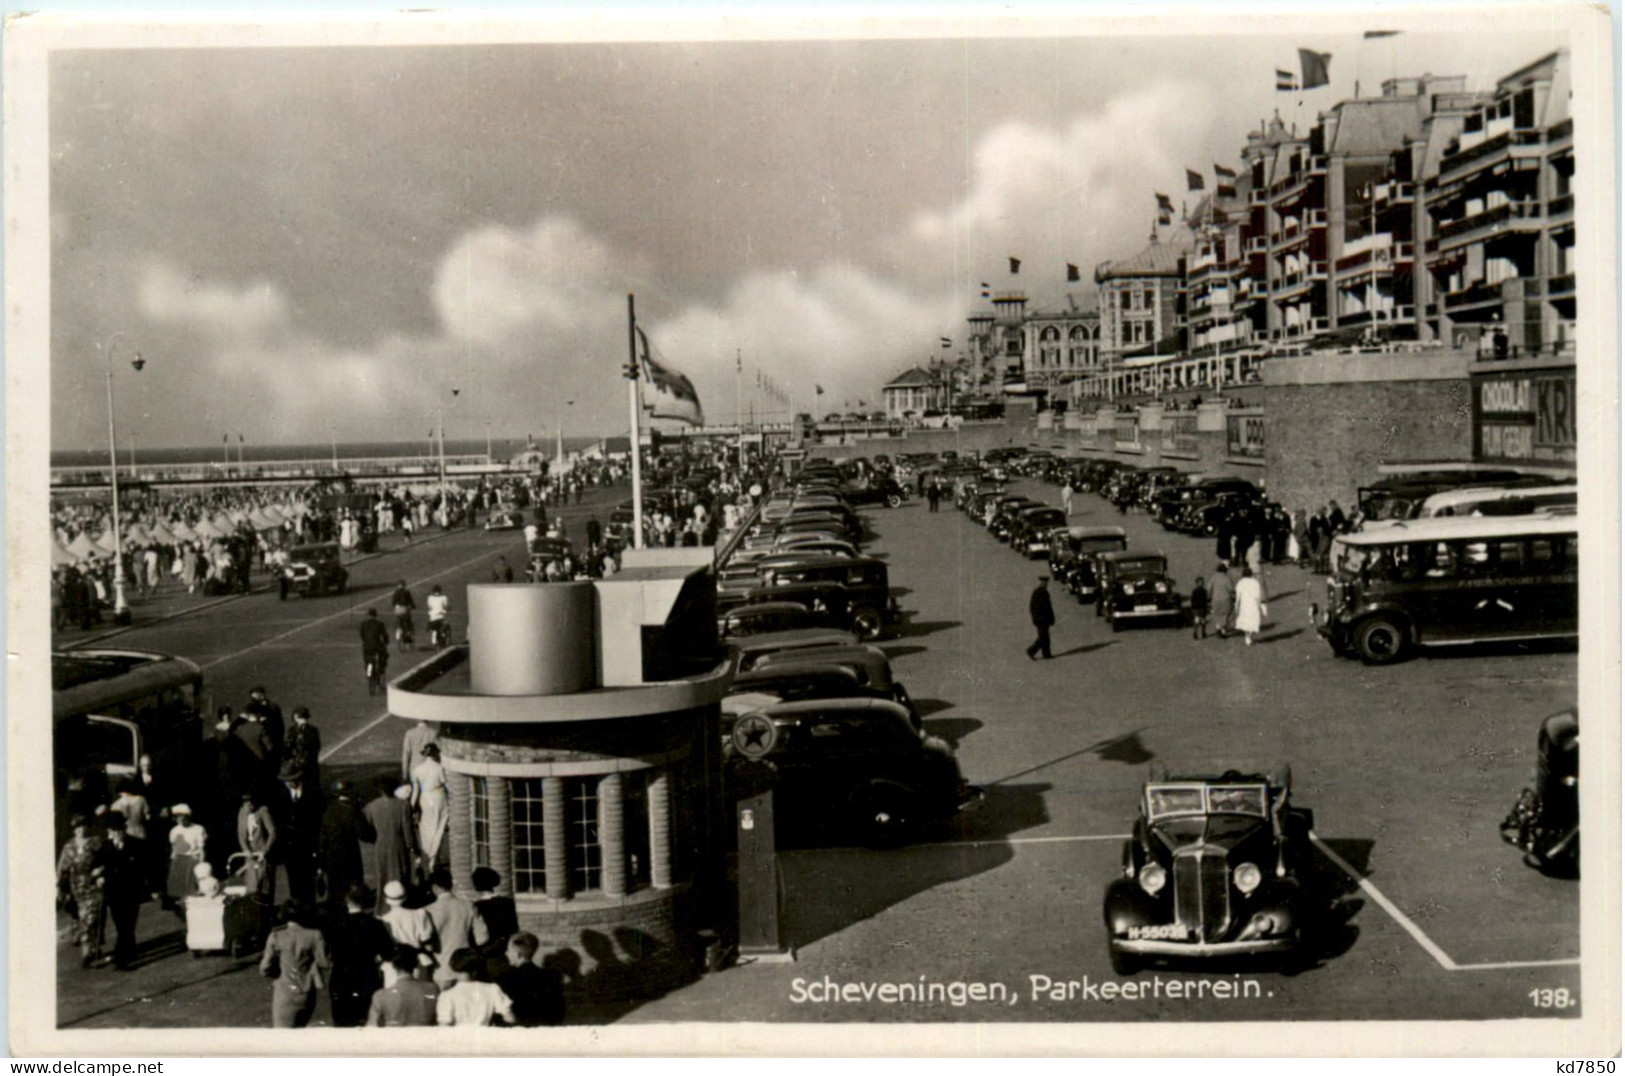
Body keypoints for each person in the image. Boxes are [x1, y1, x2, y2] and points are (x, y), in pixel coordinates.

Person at [326, 885, 394, 1027]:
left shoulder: (335, 925)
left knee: (343, 1024)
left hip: (341, 978)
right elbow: (388, 952)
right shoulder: (375, 924)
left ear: (346, 902)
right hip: (367, 976)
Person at [260, 901, 332, 1028]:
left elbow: (265, 968)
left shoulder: (277, 935)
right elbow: (324, 962)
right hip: (306, 991)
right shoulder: (314, 935)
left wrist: (275, 972)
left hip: (284, 992)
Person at [57, 814, 109, 967]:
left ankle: (90, 951)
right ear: (73, 830)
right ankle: (91, 950)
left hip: (94, 886)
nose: (80, 830)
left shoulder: (97, 843)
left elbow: (107, 860)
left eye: (83, 826)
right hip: (76, 889)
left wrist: (100, 871)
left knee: (93, 918)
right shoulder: (69, 847)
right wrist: (60, 887)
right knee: (84, 919)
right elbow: (62, 869)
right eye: (77, 827)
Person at [425, 867, 489, 989]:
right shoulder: (468, 905)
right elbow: (483, 938)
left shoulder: (428, 911)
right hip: (466, 968)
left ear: (434, 887)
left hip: (441, 970)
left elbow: (428, 944)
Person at [100, 813, 147, 970]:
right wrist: (98, 876)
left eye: (119, 829)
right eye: (113, 830)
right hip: (113, 892)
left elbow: (143, 868)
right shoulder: (105, 847)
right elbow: (96, 866)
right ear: (109, 831)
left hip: (131, 891)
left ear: (124, 829)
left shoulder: (136, 844)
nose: (116, 833)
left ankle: (122, 957)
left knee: (129, 923)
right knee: (121, 924)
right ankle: (127, 952)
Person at [318, 781, 375, 907]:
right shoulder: (352, 810)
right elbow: (364, 835)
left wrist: (321, 864)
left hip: (331, 856)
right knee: (352, 889)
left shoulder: (328, 811)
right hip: (350, 855)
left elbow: (323, 838)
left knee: (335, 889)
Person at [363, 784, 417, 913]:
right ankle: (402, 903)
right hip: (398, 844)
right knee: (400, 872)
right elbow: (408, 830)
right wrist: (412, 847)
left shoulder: (371, 806)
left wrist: (374, 839)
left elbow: (366, 828)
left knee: (383, 874)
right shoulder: (403, 805)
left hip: (380, 845)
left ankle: (382, 906)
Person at [497, 932, 565, 1027]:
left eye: (508, 950)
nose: (506, 953)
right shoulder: (549, 978)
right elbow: (557, 1012)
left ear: (517, 953)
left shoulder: (503, 979)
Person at [436, 948, 514, 1028]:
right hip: (485, 1038)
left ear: (452, 968)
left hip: (459, 1039)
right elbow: (510, 1019)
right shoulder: (492, 989)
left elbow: (444, 1028)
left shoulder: (447, 996)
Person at [366, 946, 440, 1027]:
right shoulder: (433, 989)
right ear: (416, 964)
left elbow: (371, 1028)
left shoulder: (380, 996)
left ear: (393, 966)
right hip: (424, 1038)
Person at [378, 880, 437, 977]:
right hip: (417, 962)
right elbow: (428, 945)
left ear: (386, 898)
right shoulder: (420, 914)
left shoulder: (383, 920)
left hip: (394, 966)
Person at [412, 744, 450, 875]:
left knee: (427, 827)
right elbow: (447, 785)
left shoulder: (417, 769)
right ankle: (434, 856)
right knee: (439, 826)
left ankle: (430, 853)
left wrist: (412, 806)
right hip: (438, 797)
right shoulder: (439, 768)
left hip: (425, 798)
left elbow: (415, 791)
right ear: (435, 754)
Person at [237, 789, 279, 901]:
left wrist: (264, 850)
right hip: (250, 854)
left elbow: (272, 832)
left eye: (251, 804)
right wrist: (246, 850)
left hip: (262, 852)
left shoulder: (263, 811)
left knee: (263, 885)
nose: (249, 807)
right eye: (246, 804)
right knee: (251, 886)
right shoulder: (242, 812)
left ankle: (266, 913)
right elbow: (241, 836)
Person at [165, 804, 208, 908]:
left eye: (181, 816)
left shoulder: (198, 829)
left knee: (192, 889)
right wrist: (173, 863)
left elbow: (201, 850)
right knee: (178, 891)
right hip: (179, 861)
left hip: (192, 861)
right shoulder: (174, 831)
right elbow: (174, 849)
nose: (179, 819)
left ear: (187, 816)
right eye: (176, 816)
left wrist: (201, 865)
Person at [284, 706, 322, 790]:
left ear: (296, 717)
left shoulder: (293, 730)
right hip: (311, 761)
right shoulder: (313, 729)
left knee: (296, 784)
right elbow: (317, 746)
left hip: (297, 762)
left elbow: (288, 745)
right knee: (312, 785)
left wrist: (287, 758)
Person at [245, 686, 286, 757]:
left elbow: (279, 727)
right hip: (256, 743)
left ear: (261, 694)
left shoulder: (273, 708)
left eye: (255, 696)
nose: (253, 699)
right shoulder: (250, 708)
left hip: (271, 741)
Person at [1234, 565, 1267, 646]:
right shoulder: (1255, 583)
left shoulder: (1240, 583)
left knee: (1246, 621)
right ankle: (1249, 636)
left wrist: (1236, 605)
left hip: (1244, 605)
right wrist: (1260, 606)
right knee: (1253, 621)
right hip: (1253, 605)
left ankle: (1247, 635)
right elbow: (1257, 597)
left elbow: (1238, 597)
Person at [360, 609, 390, 695]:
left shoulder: (363, 624)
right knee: (382, 657)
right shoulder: (380, 624)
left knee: (367, 660)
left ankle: (369, 674)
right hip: (377, 646)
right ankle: (380, 672)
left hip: (367, 647)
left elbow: (362, 635)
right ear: (376, 615)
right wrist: (386, 642)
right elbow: (384, 635)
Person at [1025, 575, 1055, 661]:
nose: (1045, 584)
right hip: (1040, 619)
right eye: (1043, 582)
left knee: (1046, 637)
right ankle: (1031, 651)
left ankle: (1047, 654)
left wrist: (1051, 618)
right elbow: (1033, 607)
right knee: (1043, 637)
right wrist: (1036, 617)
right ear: (1040, 583)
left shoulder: (1045, 592)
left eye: (1046, 583)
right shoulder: (1037, 592)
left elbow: (1049, 607)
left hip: (1045, 619)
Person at [1208, 562, 1236, 639]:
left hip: (1215, 599)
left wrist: (1209, 597)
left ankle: (1218, 627)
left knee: (1217, 614)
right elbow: (1231, 589)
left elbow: (1209, 588)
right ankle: (1223, 630)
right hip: (1226, 599)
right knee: (1225, 615)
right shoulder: (1227, 578)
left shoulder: (1213, 578)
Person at [391, 581, 417, 651]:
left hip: (397, 610)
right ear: (404, 585)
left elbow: (393, 603)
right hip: (405, 609)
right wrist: (413, 606)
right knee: (408, 623)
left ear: (398, 585)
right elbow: (411, 601)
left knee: (399, 620)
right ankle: (408, 639)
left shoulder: (396, 593)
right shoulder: (406, 592)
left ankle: (399, 630)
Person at [1189, 576, 1211, 640]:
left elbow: (1192, 600)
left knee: (1197, 620)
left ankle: (1196, 632)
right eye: (1201, 582)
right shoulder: (1204, 591)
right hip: (1201, 607)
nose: (1202, 583)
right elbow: (1206, 599)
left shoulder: (1194, 591)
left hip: (1197, 608)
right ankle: (1203, 632)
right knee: (1202, 620)